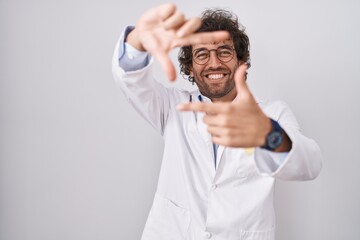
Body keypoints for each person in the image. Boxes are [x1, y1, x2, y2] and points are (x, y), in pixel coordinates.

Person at [112, 3, 322, 240]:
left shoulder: (272, 113)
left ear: (241, 61)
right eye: (202, 54)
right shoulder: (171, 106)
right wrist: (139, 39)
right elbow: (131, 81)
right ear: (190, 67)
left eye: (224, 51)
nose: (214, 63)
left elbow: (309, 165)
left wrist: (267, 134)